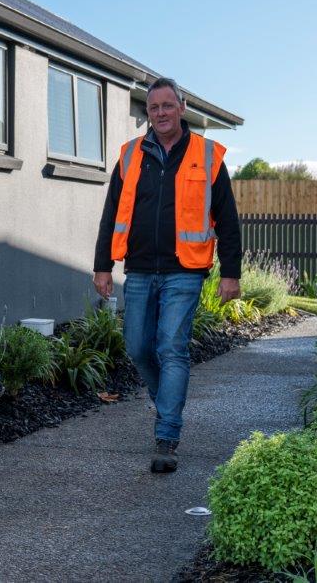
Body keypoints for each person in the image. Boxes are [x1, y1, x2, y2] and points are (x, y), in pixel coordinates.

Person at [93, 77, 242, 473]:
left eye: (167, 106)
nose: (160, 113)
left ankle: (167, 436)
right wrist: (102, 265)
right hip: (140, 268)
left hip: (185, 271)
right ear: (148, 112)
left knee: (172, 348)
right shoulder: (130, 155)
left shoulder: (207, 155)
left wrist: (231, 273)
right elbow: (111, 214)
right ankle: (168, 406)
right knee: (138, 348)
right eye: (154, 107)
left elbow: (228, 220)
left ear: (182, 107)